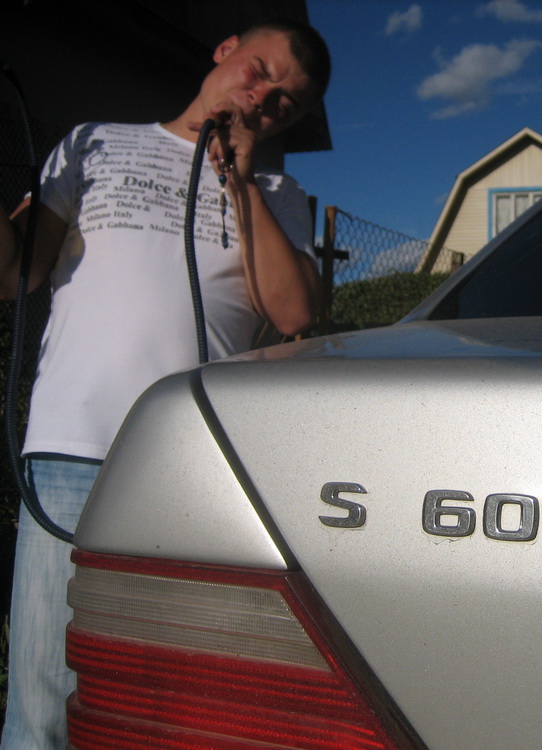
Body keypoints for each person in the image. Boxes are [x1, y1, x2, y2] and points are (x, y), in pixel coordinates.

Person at [0, 19, 330, 749]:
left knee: (169, 691)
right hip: (73, 450)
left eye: (285, 102)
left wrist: (240, 183)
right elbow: (18, 272)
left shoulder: (278, 191)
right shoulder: (94, 143)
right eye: (259, 71)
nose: (262, 98)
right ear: (225, 51)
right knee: (44, 696)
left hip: (194, 465)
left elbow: (293, 312)